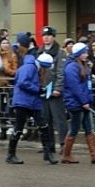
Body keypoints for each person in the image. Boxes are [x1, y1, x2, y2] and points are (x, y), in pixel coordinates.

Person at [7, 53, 57, 164]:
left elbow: (25, 83)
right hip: (24, 102)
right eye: (47, 68)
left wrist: (39, 90)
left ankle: (47, 154)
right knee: (19, 128)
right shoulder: (30, 67)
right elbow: (22, 82)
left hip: (30, 101)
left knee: (43, 126)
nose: (47, 71)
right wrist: (38, 89)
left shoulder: (31, 67)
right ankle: (10, 155)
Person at [61, 43, 95, 164]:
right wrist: (84, 101)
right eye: (84, 52)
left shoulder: (82, 65)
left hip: (83, 102)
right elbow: (75, 87)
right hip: (76, 103)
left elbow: (85, 85)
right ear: (78, 54)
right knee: (75, 129)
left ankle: (94, 155)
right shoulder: (71, 67)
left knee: (89, 128)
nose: (87, 54)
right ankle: (66, 154)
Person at [39, 26, 68, 158]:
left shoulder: (60, 52)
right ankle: (49, 146)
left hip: (55, 92)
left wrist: (58, 88)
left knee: (59, 119)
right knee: (46, 119)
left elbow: (61, 72)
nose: (46, 37)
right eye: (44, 35)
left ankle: (64, 145)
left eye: (49, 35)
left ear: (53, 37)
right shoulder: (39, 51)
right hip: (43, 91)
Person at [0, 38, 18, 140]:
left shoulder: (12, 55)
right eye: (3, 43)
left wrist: (5, 68)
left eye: (7, 43)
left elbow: (15, 71)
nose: (5, 45)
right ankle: (3, 130)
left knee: (8, 109)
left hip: (7, 86)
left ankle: (16, 130)